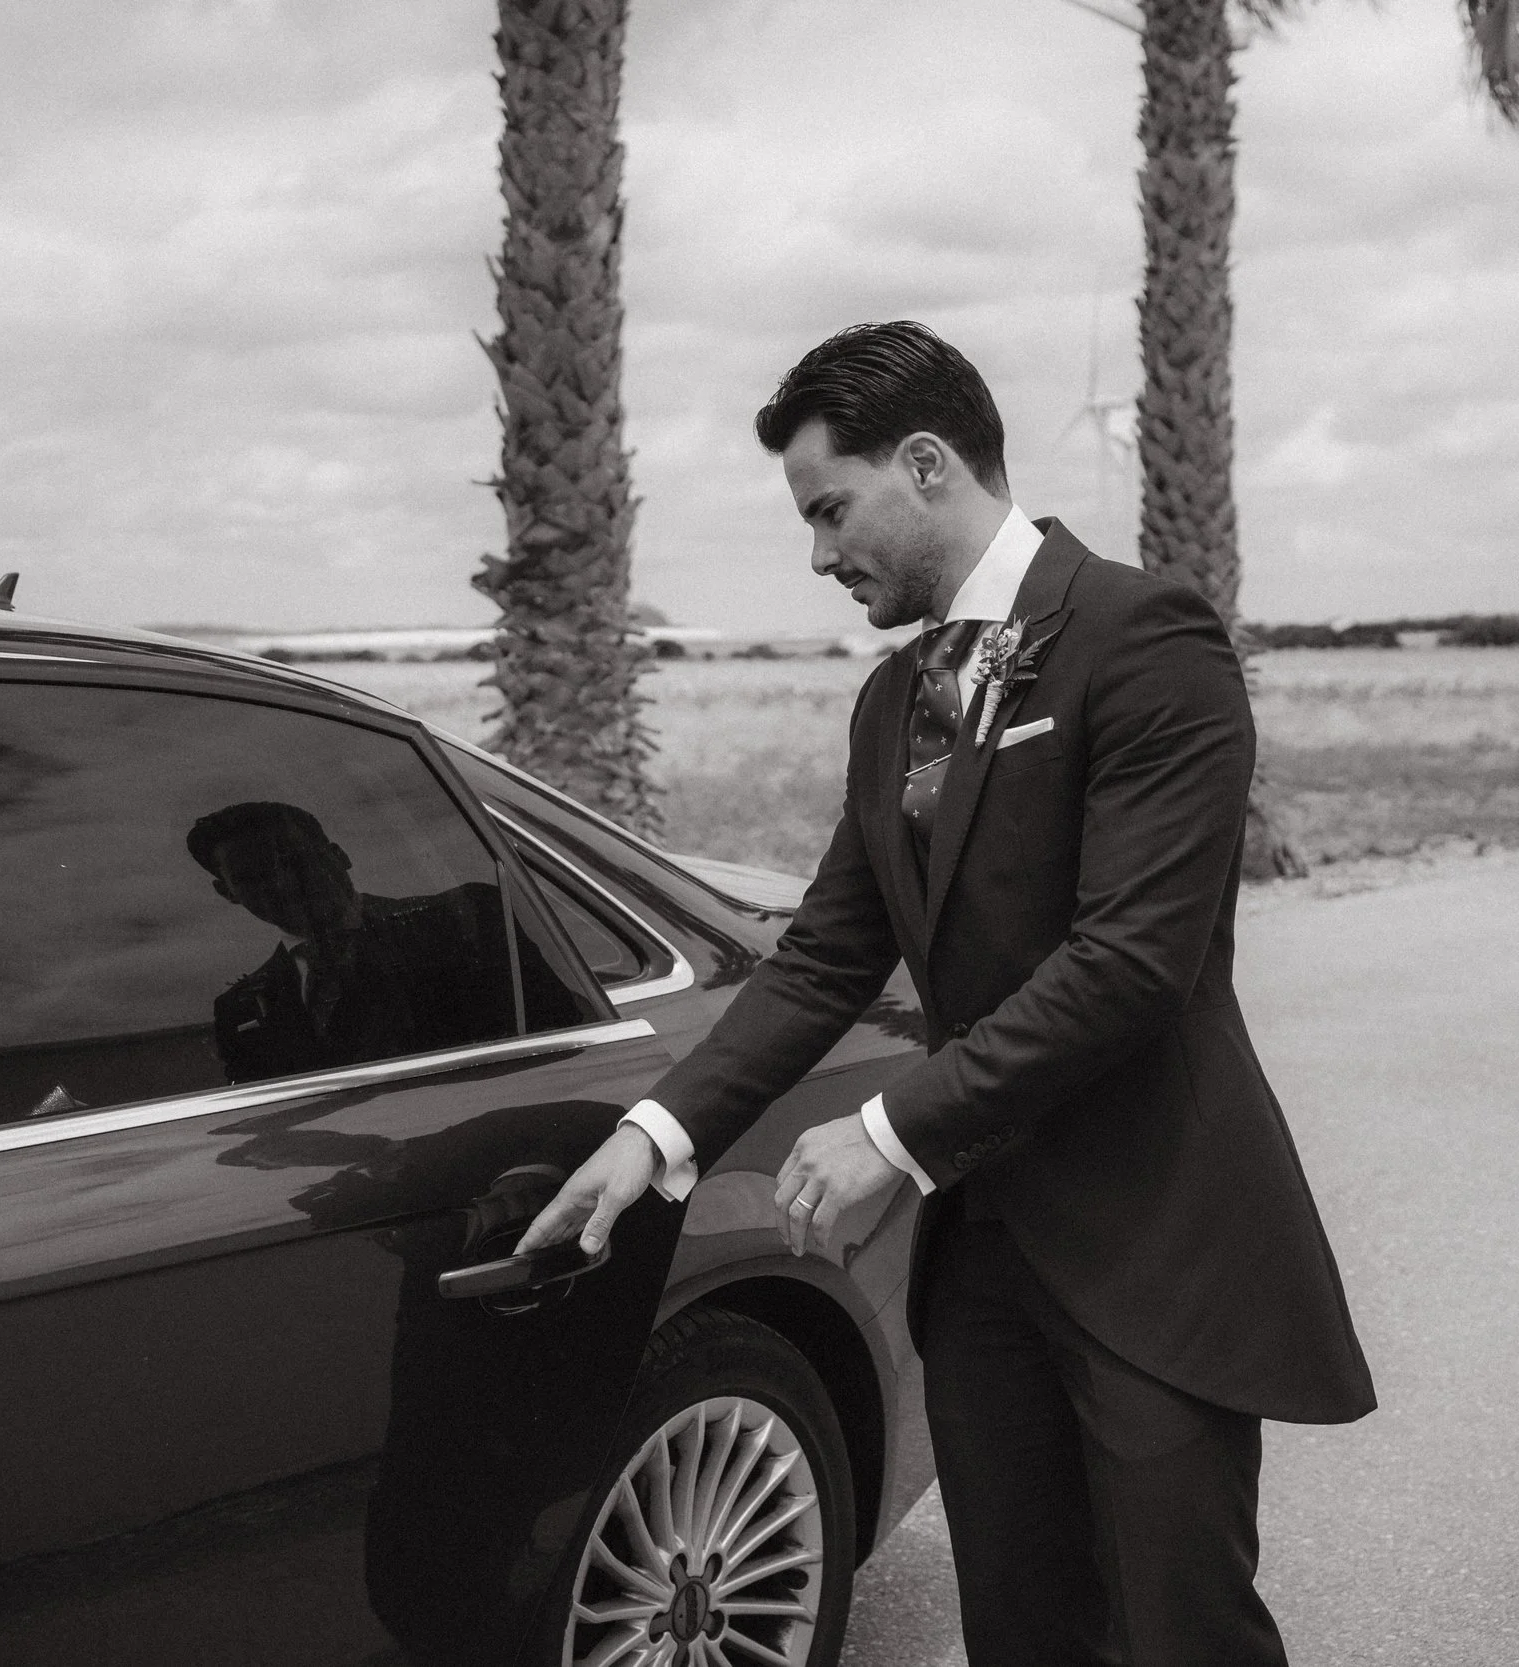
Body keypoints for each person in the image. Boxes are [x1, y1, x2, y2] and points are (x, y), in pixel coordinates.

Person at [517, 322, 1374, 1664]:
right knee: (1024, 1629)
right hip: (981, 1272)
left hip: (1159, 1243)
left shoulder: (1146, 637)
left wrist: (885, 1129)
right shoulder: (890, 698)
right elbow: (824, 957)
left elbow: (1131, 962)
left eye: (830, 509)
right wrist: (655, 1133)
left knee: (1180, 1630)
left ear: (924, 463)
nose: (818, 553)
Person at [187, 800, 511, 1080]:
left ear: (339, 856)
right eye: (252, 877)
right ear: (227, 892)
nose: (283, 884)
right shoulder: (238, 1007)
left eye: (296, 859)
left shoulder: (462, 920)